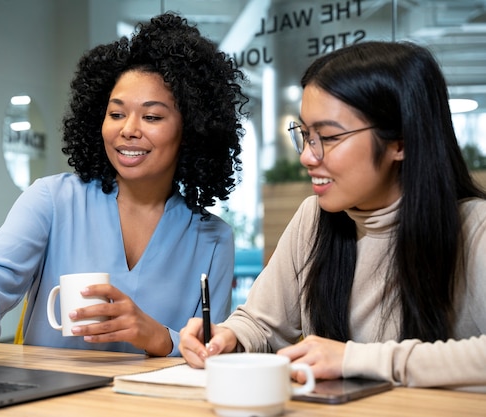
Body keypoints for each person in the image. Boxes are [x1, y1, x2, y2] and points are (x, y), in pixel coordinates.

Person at [179, 40, 486, 391]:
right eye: (306, 136)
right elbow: (262, 323)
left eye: (328, 136)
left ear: (400, 142)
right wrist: (227, 337)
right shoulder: (315, 218)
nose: (308, 157)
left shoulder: (473, 228)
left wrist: (355, 359)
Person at [0, 12, 248, 358]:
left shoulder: (213, 239)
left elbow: (213, 348)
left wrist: (161, 338)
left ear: (191, 130)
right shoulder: (53, 200)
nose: (128, 129)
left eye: (152, 116)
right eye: (116, 114)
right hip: (51, 404)